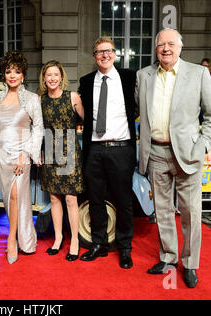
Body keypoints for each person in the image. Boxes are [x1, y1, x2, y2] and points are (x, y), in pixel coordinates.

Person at [136, 28, 211, 288]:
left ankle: (191, 264)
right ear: (156, 48)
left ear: (180, 47)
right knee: (162, 212)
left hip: (188, 155)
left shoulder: (198, 74)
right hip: (157, 153)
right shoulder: (144, 75)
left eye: (171, 43)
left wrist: (202, 147)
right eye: (161, 44)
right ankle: (168, 258)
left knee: (190, 213)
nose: (166, 48)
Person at [78, 37, 138, 269]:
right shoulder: (85, 81)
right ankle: (99, 243)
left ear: (115, 54)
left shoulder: (129, 77)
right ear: (94, 57)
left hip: (121, 149)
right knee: (95, 200)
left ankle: (124, 248)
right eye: (99, 52)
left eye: (108, 51)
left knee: (124, 201)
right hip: (94, 150)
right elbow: (83, 113)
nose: (104, 55)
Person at [0, 50, 43, 264]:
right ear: (4, 74)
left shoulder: (31, 98)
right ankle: (27, 241)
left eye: (17, 71)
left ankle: (11, 240)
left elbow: (38, 127)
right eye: (9, 71)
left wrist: (27, 154)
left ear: (23, 76)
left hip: (22, 154)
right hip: (3, 156)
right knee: (11, 200)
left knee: (15, 196)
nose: (12, 75)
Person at [37, 60, 84, 261]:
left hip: (69, 147)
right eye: (49, 75)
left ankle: (74, 240)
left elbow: (86, 120)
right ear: (44, 78)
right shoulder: (41, 100)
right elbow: (38, 129)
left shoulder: (72, 97)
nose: (52, 78)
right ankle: (58, 239)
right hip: (49, 149)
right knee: (54, 198)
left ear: (61, 77)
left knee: (70, 199)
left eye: (56, 75)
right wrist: (38, 152)